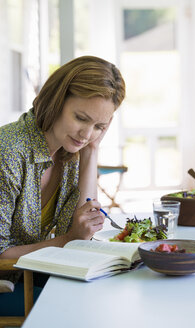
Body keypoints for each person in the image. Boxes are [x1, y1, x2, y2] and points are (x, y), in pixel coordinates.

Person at [0, 55, 126, 315]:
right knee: (86, 308)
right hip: (7, 282)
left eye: (99, 126)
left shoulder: (68, 153)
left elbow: (82, 229)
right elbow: (1, 255)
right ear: (56, 101)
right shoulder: (9, 152)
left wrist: (92, 152)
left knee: (117, 292)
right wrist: (69, 240)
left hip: (26, 275)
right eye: (81, 118)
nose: (86, 134)